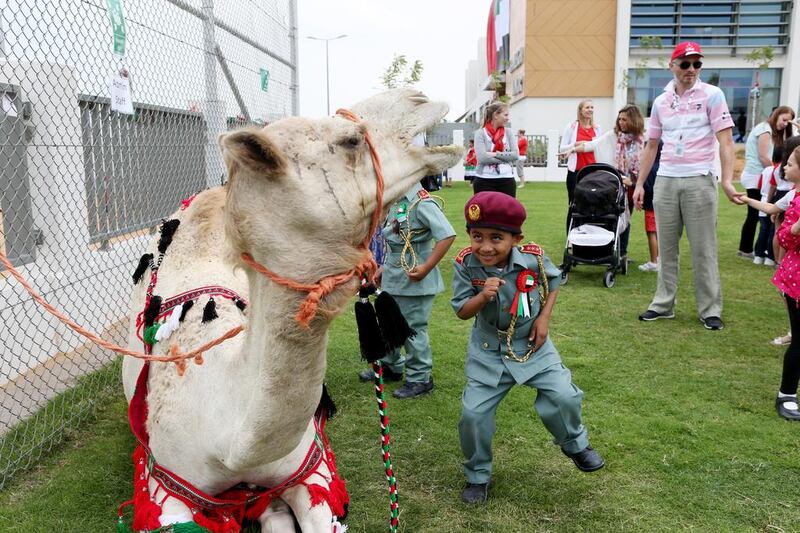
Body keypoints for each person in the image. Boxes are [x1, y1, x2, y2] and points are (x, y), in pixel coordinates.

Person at [451, 191, 604, 504]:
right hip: (488, 349)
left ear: (516, 238)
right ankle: (477, 476)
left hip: (533, 344)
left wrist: (543, 319)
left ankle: (575, 444)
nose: (485, 246)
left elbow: (554, 281)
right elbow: (461, 311)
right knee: (473, 415)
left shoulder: (533, 259)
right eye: (477, 236)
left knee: (563, 395)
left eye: (497, 238)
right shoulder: (466, 264)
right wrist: (482, 297)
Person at [632, 41, 739, 331]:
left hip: (699, 179)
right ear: (673, 66)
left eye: (696, 64)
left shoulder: (713, 95)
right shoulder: (661, 101)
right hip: (666, 179)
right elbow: (651, 145)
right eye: (685, 63)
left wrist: (727, 180)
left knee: (704, 249)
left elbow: (726, 141)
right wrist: (640, 183)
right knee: (666, 249)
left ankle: (710, 310)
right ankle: (663, 304)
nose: (691, 69)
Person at [357, 182, 456, 398]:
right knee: (387, 319)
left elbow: (447, 235)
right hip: (395, 271)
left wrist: (427, 266)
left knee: (413, 328)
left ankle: (420, 377)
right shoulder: (399, 200)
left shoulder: (422, 202)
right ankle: (391, 365)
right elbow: (396, 239)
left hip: (415, 275)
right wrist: (384, 267)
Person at [565, 104, 645, 261]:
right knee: (615, 214)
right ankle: (609, 249)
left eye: (625, 119)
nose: (621, 122)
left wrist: (634, 181)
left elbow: (644, 161)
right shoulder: (613, 135)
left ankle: (622, 252)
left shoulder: (641, 140)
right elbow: (592, 145)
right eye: (619, 119)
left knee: (626, 218)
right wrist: (572, 150)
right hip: (615, 181)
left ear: (633, 120)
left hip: (632, 183)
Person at [767, 146, 800, 420]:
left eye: (789, 163)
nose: (784, 168)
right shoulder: (796, 201)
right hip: (796, 279)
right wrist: (797, 226)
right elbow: (785, 241)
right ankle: (787, 394)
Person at [737, 106, 795, 258]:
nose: (785, 124)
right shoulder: (765, 130)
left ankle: (750, 249)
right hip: (756, 176)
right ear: (776, 115)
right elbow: (763, 157)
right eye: (784, 120)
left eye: (788, 122)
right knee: (754, 215)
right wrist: (777, 173)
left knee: (756, 216)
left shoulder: (770, 131)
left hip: (759, 176)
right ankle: (746, 249)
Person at [560, 100, 601, 231]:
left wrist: (588, 144)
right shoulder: (571, 127)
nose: (590, 110)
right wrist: (577, 144)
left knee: (592, 205)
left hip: (593, 172)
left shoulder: (597, 128)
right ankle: (571, 236)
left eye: (592, 107)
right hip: (576, 172)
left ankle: (588, 233)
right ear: (581, 110)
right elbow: (562, 148)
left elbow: (600, 147)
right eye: (587, 107)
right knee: (574, 204)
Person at [473, 102, 520, 197]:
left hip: (507, 181)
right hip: (483, 181)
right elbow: (482, 158)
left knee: (507, 211)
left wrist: (495, 154)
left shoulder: (509, 133)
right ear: (496, 115)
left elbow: (515, 155)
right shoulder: (480, 133)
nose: (508, 118)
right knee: (484, 212)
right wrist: (506, 157)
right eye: (505, 115)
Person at [638, 140, 663, 272]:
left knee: (651, 232)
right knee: (658, 232)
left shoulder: (650, 168)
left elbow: (647, 187)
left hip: (651, 205)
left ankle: (654, 262)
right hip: (662, 205)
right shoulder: (662, 166)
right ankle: (659, 259)